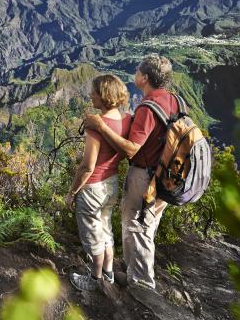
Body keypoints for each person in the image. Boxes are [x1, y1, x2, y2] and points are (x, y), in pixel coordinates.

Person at [83, 55, 177, 290]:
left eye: (137, 70)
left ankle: (142, 287)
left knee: (136, 228)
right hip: (168, 175)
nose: (134, 73)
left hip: (147, 176)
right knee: (147, 228)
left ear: (144, 78)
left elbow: (131, 149)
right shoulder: (173, 99)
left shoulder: (148, 107)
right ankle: (137, 276)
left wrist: (102, 126)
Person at [67, 74, 132, 292]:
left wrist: (73, 191)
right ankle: (109, 273)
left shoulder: (96, 126)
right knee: (105, 228)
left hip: (93, 187)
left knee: (92, 234)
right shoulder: (126, 120)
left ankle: (94, 280)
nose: (90, 95)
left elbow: (87, 166)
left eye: (94, 91)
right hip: (111, 183)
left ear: (103, 96)